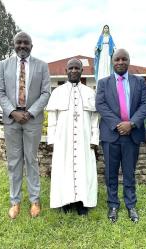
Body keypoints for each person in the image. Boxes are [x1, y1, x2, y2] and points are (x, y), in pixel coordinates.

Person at [0, 31, 51, 219]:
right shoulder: (3, 66)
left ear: (31, 46)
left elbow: (45, 93)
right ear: (14, 45)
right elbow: (0, 92)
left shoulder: (42, 66)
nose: (22, 46)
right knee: (14, 161)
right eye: (18, 42)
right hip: (12, 119)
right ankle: (15, 201)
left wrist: (30, 113)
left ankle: (35, 200)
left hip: (32, 119)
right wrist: (13, 112)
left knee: (31, 160)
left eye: (26, 43)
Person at [96, 49, 146, 223]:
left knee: (129, 172)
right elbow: (101, 105)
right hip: (111, 134)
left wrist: (131, 124)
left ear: (129, 61)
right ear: (113, 61)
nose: (120, 62)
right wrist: (118, 124)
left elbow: (145, 104)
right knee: (111, 173)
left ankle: (131, 205)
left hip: (132, 135)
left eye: (124, 59)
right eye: (117, 59)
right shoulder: (103, 83)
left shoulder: (139, 82)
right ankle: (113, 205)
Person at [46, 58, 99, 215]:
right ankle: (65, 201)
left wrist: (94, 139)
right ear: (66, 71)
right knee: (64, 169)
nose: (74, 71)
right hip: (64, 139)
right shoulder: (57, 92)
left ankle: (83, 202)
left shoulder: (90, 93)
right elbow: (52, 119)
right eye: (71, 68)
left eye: (77, 68)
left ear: (82, 71)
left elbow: (95, 119)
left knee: (84, 169)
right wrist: (53, 140)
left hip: (84, 139)